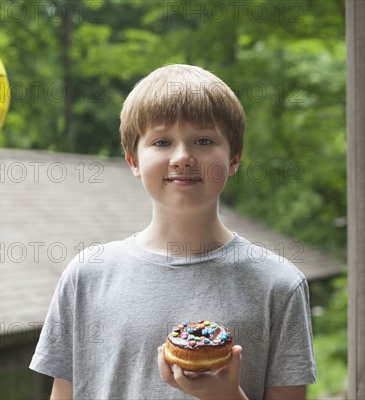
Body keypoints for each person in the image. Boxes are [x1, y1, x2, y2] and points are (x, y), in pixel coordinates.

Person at [29, 64, 316, 399]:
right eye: (162, 141)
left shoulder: (278, 286)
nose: (182, 157)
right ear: (132, 160)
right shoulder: (87, 276)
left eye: (204, 140)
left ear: (235, 157)